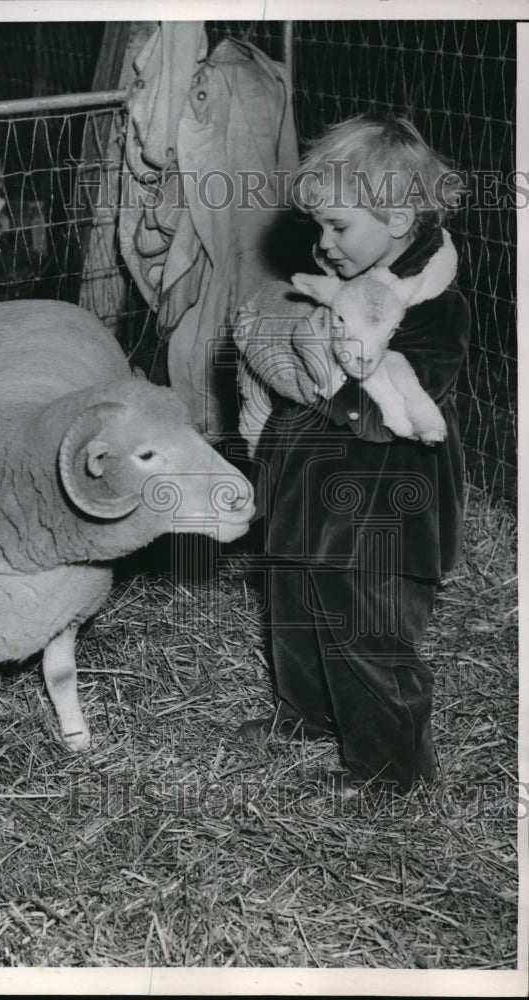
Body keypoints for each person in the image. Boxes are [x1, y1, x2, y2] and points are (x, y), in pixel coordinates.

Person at [239, 115, 471, 794]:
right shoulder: (351, 288)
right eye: (318, 227)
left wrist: (315, 372)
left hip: (382, 508)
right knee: (293, 603)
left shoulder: (429, 308)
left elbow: (382, 417)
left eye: (338, 227)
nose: (322, 244)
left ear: (398, 217)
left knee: (365, 632)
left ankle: (390, 772)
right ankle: (306, 713)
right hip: (309, 486)